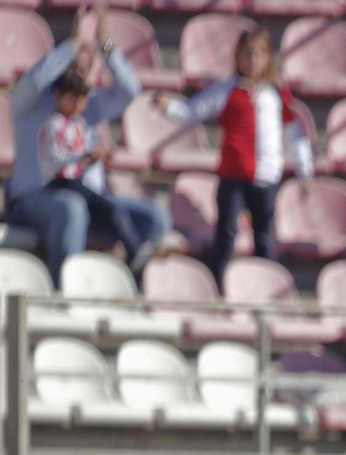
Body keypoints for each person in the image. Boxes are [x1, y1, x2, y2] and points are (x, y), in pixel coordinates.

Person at [6, 2, 169, 284]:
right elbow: (32, 82)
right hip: (34, 201)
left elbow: (131, 90)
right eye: (72, 66)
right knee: (72, 208)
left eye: (85, 68)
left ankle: (126, 284)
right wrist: (74, 43)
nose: (78, 74)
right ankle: (64, 294)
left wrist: (104, 42)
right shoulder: (30, 103)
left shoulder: (91, 106)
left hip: (91, 204)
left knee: (155, 218)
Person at [158, 26, 313, 284]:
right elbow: (193, 110)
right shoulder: (227, 89)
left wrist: (304, 169)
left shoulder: (275, 93)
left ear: (268, 58)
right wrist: (169, 107)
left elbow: (293, 132)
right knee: (226, 234)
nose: (252, 60)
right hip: (233, 176)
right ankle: (219, 285)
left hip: (266, 176)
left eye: (258, 54)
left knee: (264, 236)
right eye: (247, 54)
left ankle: (266, 285)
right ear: (238, 57)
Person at [36, 72, 149, 268]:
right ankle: (134, 249)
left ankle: (130, 250)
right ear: (58, 97)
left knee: (112, 210)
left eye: (81, 101)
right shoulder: (53, 124)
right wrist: (83, 156)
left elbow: (79, 159)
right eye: (72, 100)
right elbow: (54, 158)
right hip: (59, 183)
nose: (77, 106)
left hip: (76, 182)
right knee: (110, 210)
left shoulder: (79, 124)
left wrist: (95, 158)